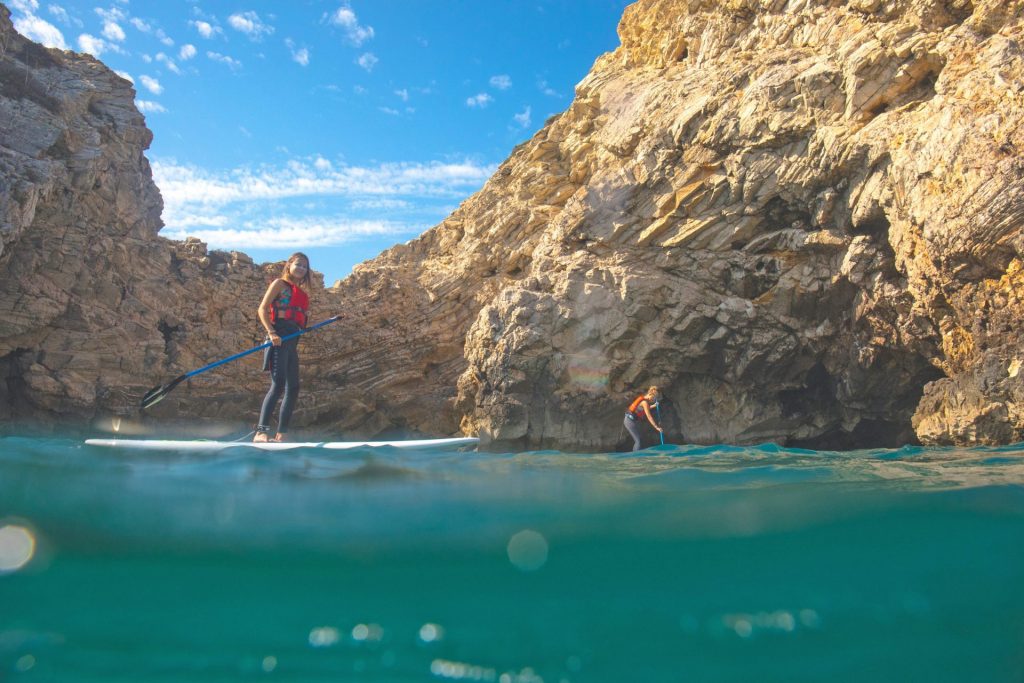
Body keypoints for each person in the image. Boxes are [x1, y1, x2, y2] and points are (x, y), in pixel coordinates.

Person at [254, 252, 312, 442]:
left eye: (305, 266)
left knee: (293, 387)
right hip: (278, 337)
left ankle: (281, 435)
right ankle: (261, 432)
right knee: (278, 384)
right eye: (299, 264)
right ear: (289, 265)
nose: (302, 269)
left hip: (292, 341)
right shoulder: (279, 284)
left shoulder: (302, 294)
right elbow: (262, 309)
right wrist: (271, 333)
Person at [624, 386, 664, 451]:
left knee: (639, 439)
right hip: (629, 421)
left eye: (654, 398)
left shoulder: (644, 401)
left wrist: (653, 405)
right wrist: (656, 427)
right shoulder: (644, 402)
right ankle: (635, 456)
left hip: (631, 420)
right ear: (650, 394)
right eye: (653, 397)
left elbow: (645, 408)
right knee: (638, 441)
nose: (653, 399)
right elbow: (649, 416)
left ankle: (636, 454)